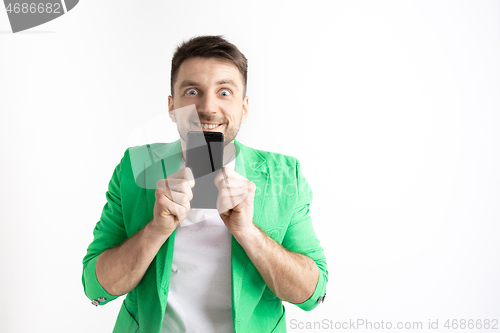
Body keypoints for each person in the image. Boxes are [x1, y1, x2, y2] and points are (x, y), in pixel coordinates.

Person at [82, 35, 328, 333]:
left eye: (224, 92)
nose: (208, 107)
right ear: (172, 107)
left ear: (244, 107)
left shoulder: (285, 175)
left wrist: (247, 232)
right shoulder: (136, 166)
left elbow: (311, 294)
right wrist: (155, 230)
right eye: (192, 91)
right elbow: (97, 286)